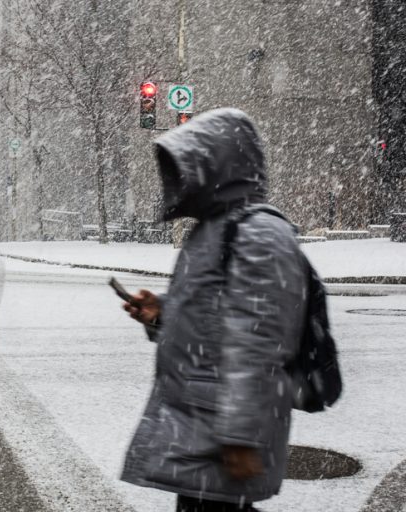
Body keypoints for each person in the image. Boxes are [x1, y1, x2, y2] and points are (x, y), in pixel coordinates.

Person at [120, 108, 308, 512]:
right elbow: (216, 318)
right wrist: (162, 313)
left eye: (185, 167)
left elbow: (260, 341)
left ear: (218, 165)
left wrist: (241, 436)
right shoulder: (214, 228)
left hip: (222, 431)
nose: (175, 181)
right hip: (200, 424)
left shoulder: (258, 233)